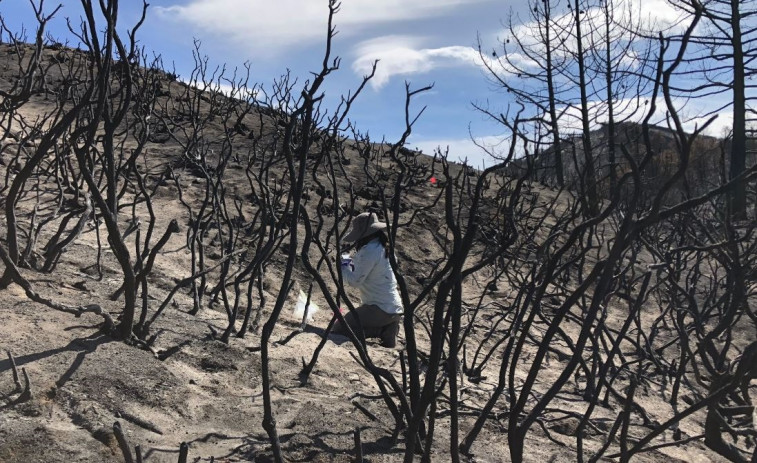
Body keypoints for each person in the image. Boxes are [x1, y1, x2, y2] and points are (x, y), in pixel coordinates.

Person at [333, 212, 403, 348]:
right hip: (393, 308)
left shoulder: (370, 250)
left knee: (340, 329)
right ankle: (388, 326)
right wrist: (346, 259)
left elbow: (354, 281)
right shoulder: (384, 247)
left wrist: (342, 264)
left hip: (379, 309)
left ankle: (382, 331)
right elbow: (363, 269)